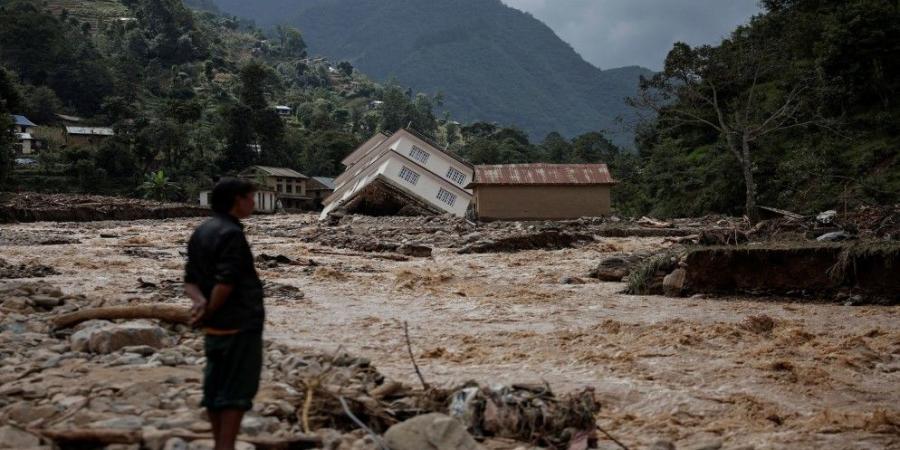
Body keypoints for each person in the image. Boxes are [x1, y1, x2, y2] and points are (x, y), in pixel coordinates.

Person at [184, 178, 265, 450]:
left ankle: (220, 444)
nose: (253, 202)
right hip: (239, 326)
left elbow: (190, 281)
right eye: (250, 197)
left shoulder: (202, 232)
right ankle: (226, 446)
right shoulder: (232, 235)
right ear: (237, 200)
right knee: (236, 394)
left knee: (214, 389)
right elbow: (226, 283)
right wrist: (208, 310)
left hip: (215, 329)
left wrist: (199, 306)